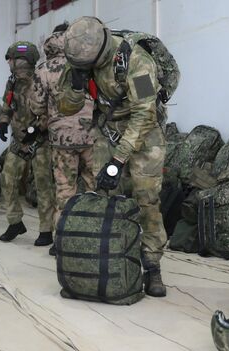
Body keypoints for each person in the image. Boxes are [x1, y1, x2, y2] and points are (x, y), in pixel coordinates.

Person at [57, 16, 169, 297]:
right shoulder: (79, 59)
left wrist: (119, 160)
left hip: (145, 133)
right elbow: (66, 108)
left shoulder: (136, 60)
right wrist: (77, 86)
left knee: (146, 199)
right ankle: (113, 256)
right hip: (108, 130)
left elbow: (145, 113)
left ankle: (152, 264)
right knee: (105, 196)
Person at [30, 22, 96, 256]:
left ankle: (62, 242)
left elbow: (36, 106)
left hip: (61, 139)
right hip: (92, 136)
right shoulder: (88, 63)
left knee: (65, 190)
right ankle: (95, 239)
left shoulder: (44, 69)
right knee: (93, 189)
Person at [0, 41, 56, 246]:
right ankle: (15, 222)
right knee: (7, 180)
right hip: (19, 140)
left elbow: (52, 111)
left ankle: (46, 230)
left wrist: (36, 129)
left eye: (11, 59)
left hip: (40, 141)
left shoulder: (42, 80)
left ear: (20, 61)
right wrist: (4, 123)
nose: (8, 63)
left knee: (43, 186)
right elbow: (8, 104)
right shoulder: (12, 81)